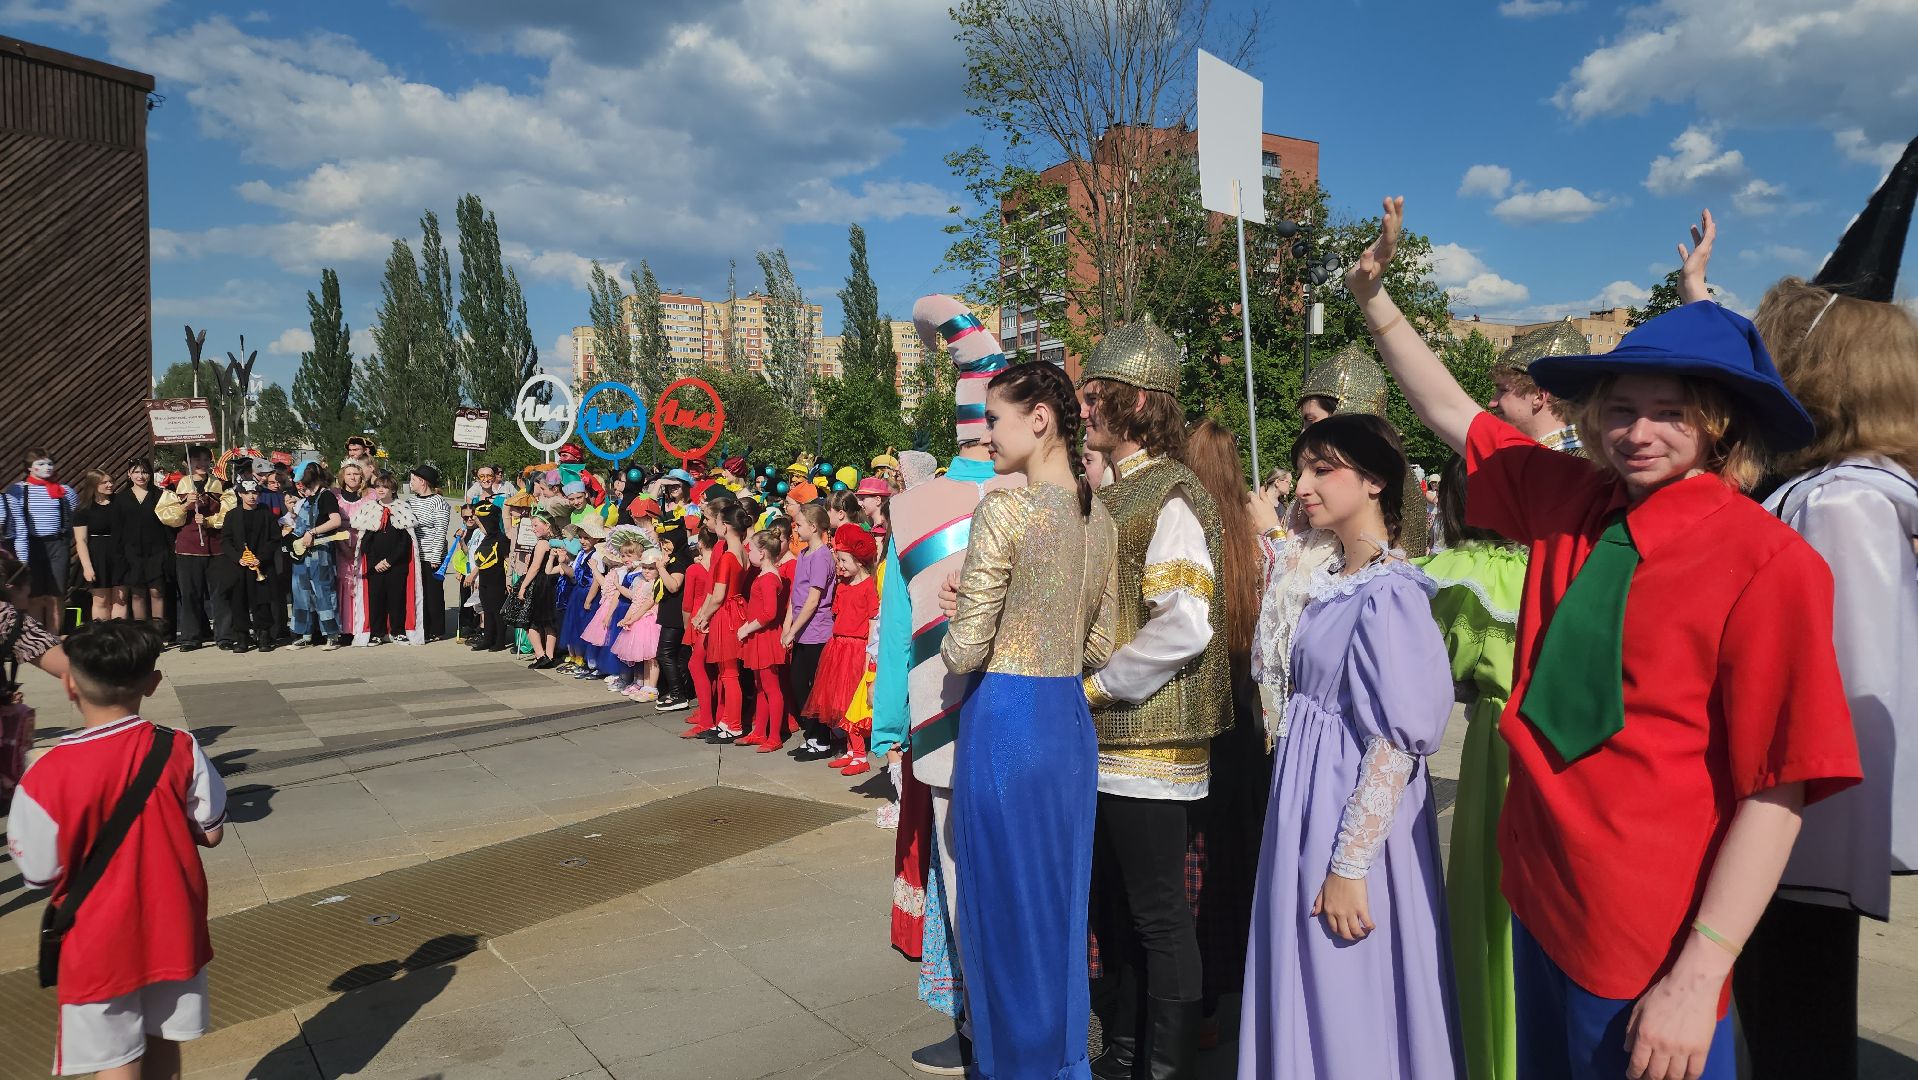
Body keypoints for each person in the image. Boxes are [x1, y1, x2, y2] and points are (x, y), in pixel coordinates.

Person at [1350, 195, 1861, 1080]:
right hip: (1539, 894)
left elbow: (1777, 790)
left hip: (1650, 938)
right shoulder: (1576, 503)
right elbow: (1454, 413)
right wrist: (1373, 300)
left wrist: (1700, 974)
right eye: (1621, 407)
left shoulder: (1770, 563)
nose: (1639, 431)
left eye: (1671, 410)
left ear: (1719, 421)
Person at [1696, 145, 1918, 1078]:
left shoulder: (1840, 504)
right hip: (1785, 831)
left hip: (1793, 839)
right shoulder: (1831, 489)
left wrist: (1799, 847)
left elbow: (1852, 688)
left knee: (1796, 1037)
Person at [1235, 413, 1463, 1079]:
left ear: (1374, 481)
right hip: (1306, 808)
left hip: (1346, 820)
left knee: (1348, 989)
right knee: (1306, 978)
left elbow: (1395, 744)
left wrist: (1350, 866)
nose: (1303, 485)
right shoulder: (1332, 579)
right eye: (1302, 468)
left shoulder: (1391, 592)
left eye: (1322, 469)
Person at [939, 360, 1116, 1080]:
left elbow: (966, 646)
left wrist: (957, 617)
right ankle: (1061, 1060)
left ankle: (1016, 1065)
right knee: (1059, 907)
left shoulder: (1003, 510)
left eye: (995, 419)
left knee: (1004, 909)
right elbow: (1102, 644)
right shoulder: (1096, 518)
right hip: (1067, 724)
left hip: (1007, 721)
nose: (986, 436)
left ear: (1039, 417)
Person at [868, 294, 1026, 1073]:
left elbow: (899, 633)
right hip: (1034, 722)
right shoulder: (1043, 499)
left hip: (940, 726)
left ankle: (981, 1033)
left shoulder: (913, 508)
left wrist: (888, 727)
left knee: (961, 883)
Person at [1077, 318, 1230, 1078]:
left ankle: (1164, 1070)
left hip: (1150, 745)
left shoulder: (1169, 491)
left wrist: (1101, 686)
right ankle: (1131, 1052)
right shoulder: (1121, 489)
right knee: (1122, 914)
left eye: (1093, 395)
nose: (1083, 408)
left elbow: (1186, 624)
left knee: (1162, 919)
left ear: (1136, 402)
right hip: (1112, 742)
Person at [5, 619, 226, 1080]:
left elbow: (41, 874)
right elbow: (211, 832)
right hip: (174, 927)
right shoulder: (180, 747)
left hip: (98, 941)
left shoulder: (46, 775)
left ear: (68, 685)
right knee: (165, 1041)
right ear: (153, 682)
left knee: (116, 1062)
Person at [1412, 455, 1528, 1080]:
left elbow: (1439, 670)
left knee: (1490, 894)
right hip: (1553, 734)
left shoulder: (1456, 574)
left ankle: (1490, 1054)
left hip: (1496, 740)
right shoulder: (1554, 560)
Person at [1178, 419, 1271, 1046]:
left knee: (1194, 862)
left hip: (1198, 712)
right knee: (1240, 856)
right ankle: (1245, 992)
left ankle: (1200, 1006)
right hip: (1249, 715)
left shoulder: (1190, 535)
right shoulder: (1259, 544)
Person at [1298, 341, 1431, 557]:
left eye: (1311, 421)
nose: (1304, 433)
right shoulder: (1311, 490)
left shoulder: (1402, 496)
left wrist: (1274, 534)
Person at [803, 524, 880, 775]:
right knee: (839, 702)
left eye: (845, 560)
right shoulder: (843, 585)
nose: (841, 565)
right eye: (839, 560)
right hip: (838, 647)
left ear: (859, 561)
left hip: (856, 650)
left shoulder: (869, 587)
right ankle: (850, 750)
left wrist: (869, 655)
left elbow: (872, 624)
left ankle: (860, 754)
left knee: (851, 703)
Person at [155, 449, 231, 653]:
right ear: (186, 462)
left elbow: (228, 514)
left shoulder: (223, 485)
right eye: (196, 459)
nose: (202, 463)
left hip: (216, 547)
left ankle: (224, 635)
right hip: (188, 547)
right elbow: (165, 516)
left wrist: (209, 521)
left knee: (221, 594)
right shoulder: (174, 486)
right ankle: (190, 637)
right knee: (189, 594)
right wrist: (185, 506)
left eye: (206, 460)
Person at [3, 449, 80, 636]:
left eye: (49, 464)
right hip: (31, 545)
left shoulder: (65, 491)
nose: (47, 468)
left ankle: (54, 636)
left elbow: (72, 518)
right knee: (35, 594)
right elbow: (16, 522)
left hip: (57, 544)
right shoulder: (18, 490)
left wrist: (66, 540)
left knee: (56, 594)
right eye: (41, 464)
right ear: (30, 468)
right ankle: (37, 636)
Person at [782, 503, 837, 758]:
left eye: (800, 524)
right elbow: (797, 595)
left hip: (817, 630)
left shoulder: (822, 556)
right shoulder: (804, 554)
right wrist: (788, 625)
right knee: (798, 682)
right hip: (803, 629)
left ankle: (821, 737)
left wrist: (793, 630)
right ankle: (813, 733)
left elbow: (814, 599)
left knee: (813, 686)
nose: (797, 528)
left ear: (813, 527)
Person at [1486, 323, 1587, 453]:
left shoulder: (1575, 465)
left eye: (1503, 390)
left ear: (1540, 396)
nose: (1492, 403)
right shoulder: (1536, 455)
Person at [738, 530, 790, 750]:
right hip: (760, 636)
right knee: (761, 686)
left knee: (770, 686)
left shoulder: (769, 578)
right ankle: (759, 731)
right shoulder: (765, 575)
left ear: (762, 553)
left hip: (765, 637)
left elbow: (769, 613)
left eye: (751, 549)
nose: (748, 552)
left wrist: (746, 628)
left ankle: (774, 736)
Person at [354, 474, 418, 647]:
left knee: (397, 599)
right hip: (375, 566)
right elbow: (365, 541)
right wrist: (376, 562)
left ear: (393, 490)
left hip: (397, 565)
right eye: (378, 487)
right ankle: (377, 633)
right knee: (376, 599)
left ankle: (398, 632)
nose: (381, 490)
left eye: (385, 487)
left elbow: (405, 542)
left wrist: (390, 561)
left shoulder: (402, 508)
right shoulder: (369, 508)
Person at [287, 464, 345, 651]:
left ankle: (332, 634)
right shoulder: (306, 499)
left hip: (320, 552)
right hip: (301, 553)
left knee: (324, 593)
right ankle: (304, 634)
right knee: (301, 592)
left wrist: (313, 532)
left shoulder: (326, 496)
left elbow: (335, 521)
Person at [219, 480, 280, 653]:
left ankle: (263, 636)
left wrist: (260, 558)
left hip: (261, 565)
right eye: (247, 493)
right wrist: (238, 558)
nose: (251, 496)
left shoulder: (266, 514)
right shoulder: (232, 515)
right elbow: (226, 541)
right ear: (240, 494)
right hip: (239, 566)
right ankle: (242, 637)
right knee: (239, 601)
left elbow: (274, 539)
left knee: (262, 601)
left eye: (255, 493)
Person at [110, 460, 169, 629]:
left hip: (157, 550)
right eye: (136, 472)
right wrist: (118, 555)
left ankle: (158, 632)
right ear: (129, 474)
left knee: (156, 591)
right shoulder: (121, 498)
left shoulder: (160, 495)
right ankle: (142, 633)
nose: (140, 476)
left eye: (144, 472)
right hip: (131, 552)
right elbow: (117, 529)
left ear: (150, 474)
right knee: (137, 594)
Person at [405, 465, 453, 642]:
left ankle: (436, 628)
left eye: (413, 480)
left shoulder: (438, 502)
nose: (411, 483)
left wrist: (435, 556)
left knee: (433, 593)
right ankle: (421, 625)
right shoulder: (411, 501)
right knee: (419, 592)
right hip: (415, 554)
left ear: (423, 482)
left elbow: (441, 530)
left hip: (431, 555)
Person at [333, 462, 377, 648]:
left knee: (362, 585)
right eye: (349, 474)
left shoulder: (370, 496)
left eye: (356, 474)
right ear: (343, 476)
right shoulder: (335, 496)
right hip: (340, 545)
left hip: (364, 546)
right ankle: (345, 629)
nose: (352, 477)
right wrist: (343, 545)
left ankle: (364, 626)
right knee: (344, 585)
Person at [611, 547, 664, 701]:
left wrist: (632, 619)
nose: (647, 571)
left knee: (652, 657)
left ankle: (651, 687)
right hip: (639, 619)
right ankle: (645, 685)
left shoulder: (656, 583)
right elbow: (635, 603)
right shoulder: (639, 580)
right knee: (645, 657)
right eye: (645, 567)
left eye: (651, 568)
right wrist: (628, 618)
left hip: (651, 621)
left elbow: (648, 604)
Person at [72, 469, 123, 623]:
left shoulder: (120, 503)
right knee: (101, 601)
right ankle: (103, 638)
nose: (110, 485)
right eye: (104, 482)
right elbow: (81, 540)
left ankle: (119, 638)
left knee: (120, 599)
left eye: (110, 481)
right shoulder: (83, 510)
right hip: (98, 556)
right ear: (93, 485)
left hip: (120, 554)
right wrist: (87, 566)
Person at [516, 512, 563, 668]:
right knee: (549, 622)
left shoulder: (542, 543)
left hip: (540, 584)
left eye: (536, 525)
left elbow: (535, 568)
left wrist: (523, 586)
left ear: (547, 525)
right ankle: (549, 655)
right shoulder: (557, 542)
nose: (533, 529)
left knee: (529, 620)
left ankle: (540, 654)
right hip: (552, 583)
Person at [466, 501, 508, 652]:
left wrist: (509, 581)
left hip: (497, 580)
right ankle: (488, 638)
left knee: (497, 612)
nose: (478, 524)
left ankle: (500, 641)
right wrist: (475, 576)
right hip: (484, 579)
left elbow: (507, 560)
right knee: (487, 610)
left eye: (481, 521)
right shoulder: (486, 538)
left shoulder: (501, 539)